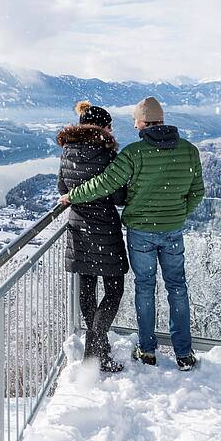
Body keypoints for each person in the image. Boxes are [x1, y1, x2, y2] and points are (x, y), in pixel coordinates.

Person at [59, 96, 204, 371]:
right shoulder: (189, 151)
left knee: (144, 288)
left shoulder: (134, 153)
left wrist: (73, 195)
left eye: (136, 119)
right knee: (177, 288)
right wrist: (178, 213)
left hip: (136, 231)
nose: (133, 125)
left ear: (144, 122)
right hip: (170, 231)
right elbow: (197, 192)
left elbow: (105, 184)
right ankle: (184, 353)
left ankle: (147, 350)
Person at [57, 100, 128, 373]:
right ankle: (94, 351)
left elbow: (63, 187)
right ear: (101, 127)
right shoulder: (108, 155)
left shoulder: (67, 152)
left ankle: (98, 349)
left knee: (87, 289)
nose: (112, 131)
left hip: (78, 229)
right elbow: (120, 196)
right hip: (105, 229)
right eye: (109, 126)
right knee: (114, 290)